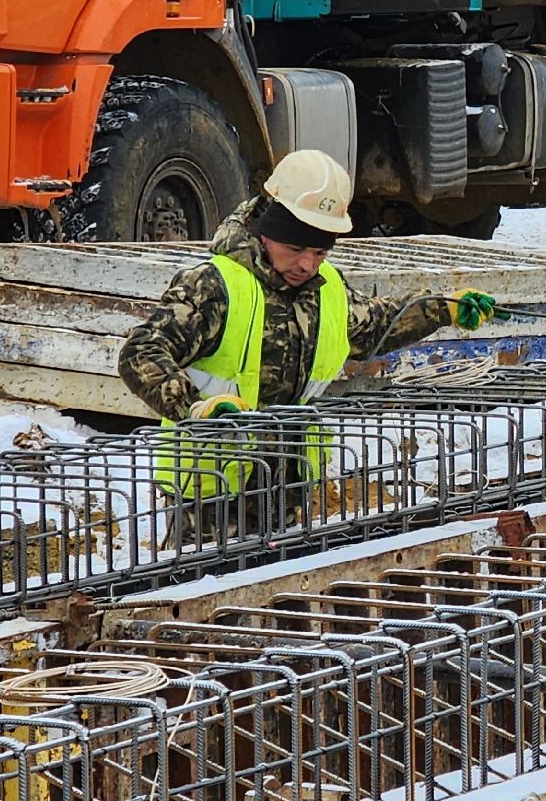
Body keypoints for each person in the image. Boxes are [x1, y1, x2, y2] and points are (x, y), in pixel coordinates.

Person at [118, 149, 498, 535]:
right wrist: (196, 407)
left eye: (319, 251)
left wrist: (442, 309)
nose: (307, 264)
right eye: (296, 249)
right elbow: (141, 351)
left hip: (285, 488)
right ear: (265, 229)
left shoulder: (325, 289)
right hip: (210, 497)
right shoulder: (214, 286)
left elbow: (371, 327)